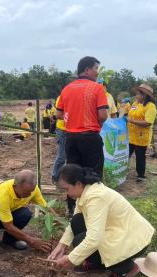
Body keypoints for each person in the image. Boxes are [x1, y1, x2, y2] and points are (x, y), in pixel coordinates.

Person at [48, 164, 153, 277]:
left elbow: (94, 239)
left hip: (133, 239)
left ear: (78, 184)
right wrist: (61, 246)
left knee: (79, 240)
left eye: (66, 189)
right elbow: (74, 222)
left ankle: (126, 268)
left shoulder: (96, 197)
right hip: (118, 231)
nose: (66, 193)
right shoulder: (84, 192)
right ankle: (98, 263)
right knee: (77, 221)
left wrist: (71, 259)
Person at [55, 56, 108, 212]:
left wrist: (72, 116)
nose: (97, 73)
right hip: (90, 137)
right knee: (93, 174)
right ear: (86, 70)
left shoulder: (67, 89)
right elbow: (103, 116)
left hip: (71, 138)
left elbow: (58, 114)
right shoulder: (97, 88)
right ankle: (93, 209)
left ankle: (73, 210)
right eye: (95, 69)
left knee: (73, 173)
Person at [0, 170, 52, 256]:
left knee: (25, 214)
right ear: (15, 186)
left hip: (8, 213)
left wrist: (59, 220)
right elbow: (9, 226)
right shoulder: (2, 194)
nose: (30, 195)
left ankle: (9, 239)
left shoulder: (31, 189)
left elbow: (45, 207)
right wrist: (31, 241)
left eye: (31, 191)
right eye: (26, 192)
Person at [127, 84, 157, 182]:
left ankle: (141, 175)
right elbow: (130, 114)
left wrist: (131, 121)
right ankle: (122, 171)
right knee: (126, 154)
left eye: (138, 94)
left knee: (140, 156)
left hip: (141, 136)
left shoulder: (150, 106)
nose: (136, 96)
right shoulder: (135, 104)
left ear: (144, 95)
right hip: (130, 135)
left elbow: (148, 122)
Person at [51, 96, 66, 184]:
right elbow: (59, 114)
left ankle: (63, 176)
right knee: (62, 156)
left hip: (72, 129)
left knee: (69, 156)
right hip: (63, 129)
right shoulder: (61, 98)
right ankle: (55, 176)